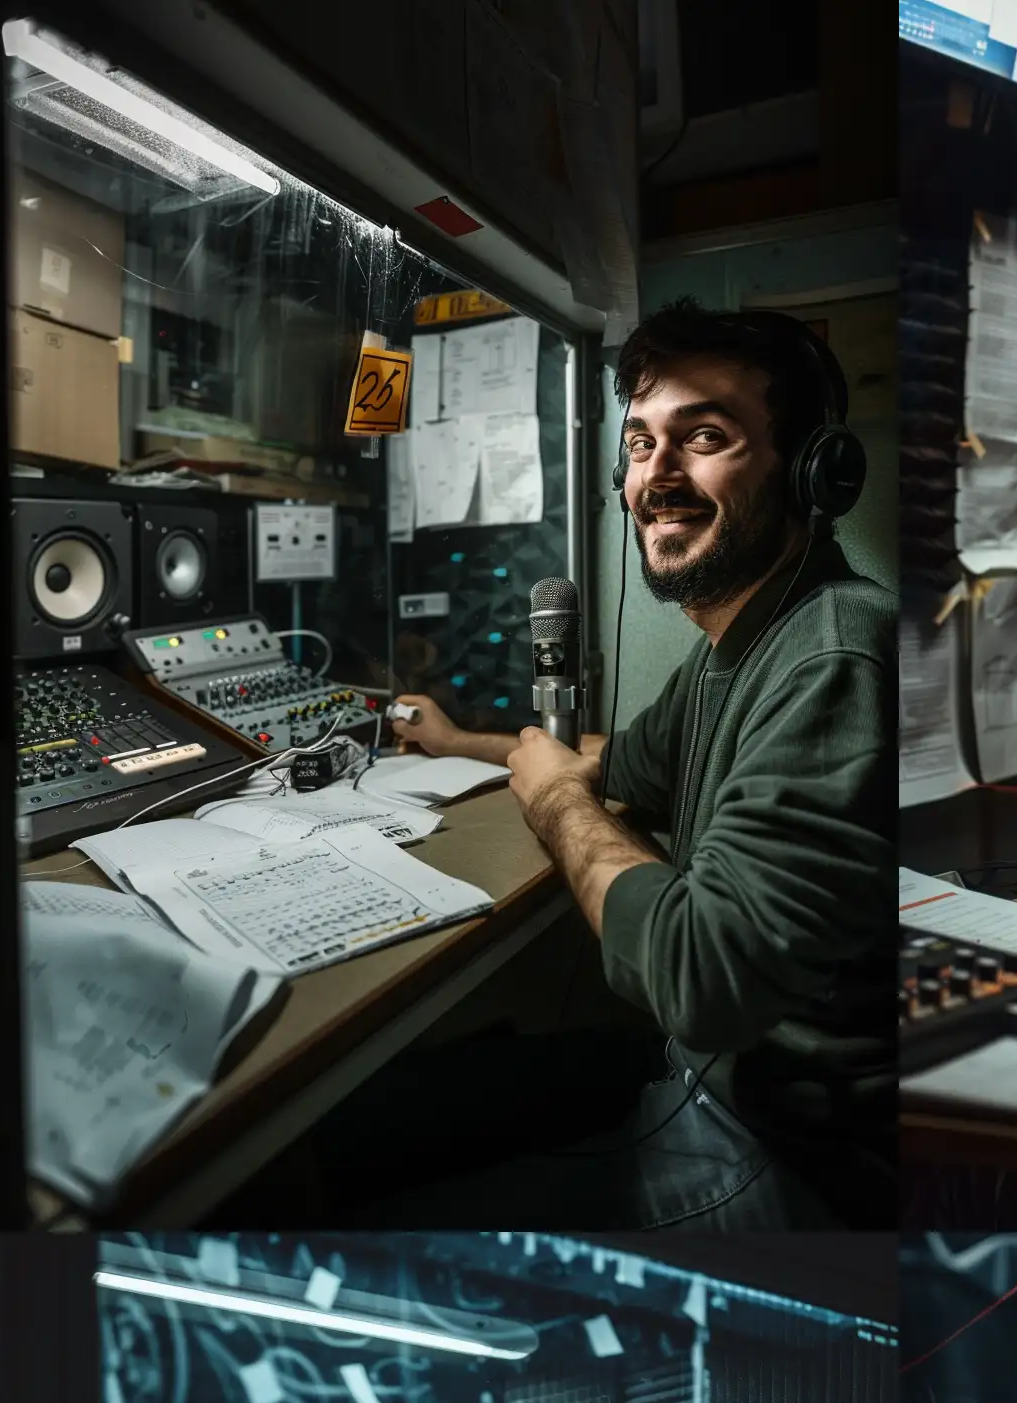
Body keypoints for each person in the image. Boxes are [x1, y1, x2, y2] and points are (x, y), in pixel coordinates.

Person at [320, 296, 894, 1228]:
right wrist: (462, 742)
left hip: (791, 1156)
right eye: (637, 445)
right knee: (363, 1122)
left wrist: (554, 807)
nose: (655, 476)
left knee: (359, 1214)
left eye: (702, 436)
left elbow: (701, 974)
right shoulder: (743, 646)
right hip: (713, 1085)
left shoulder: (833, 653)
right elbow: (614, 764)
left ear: (810, 473)